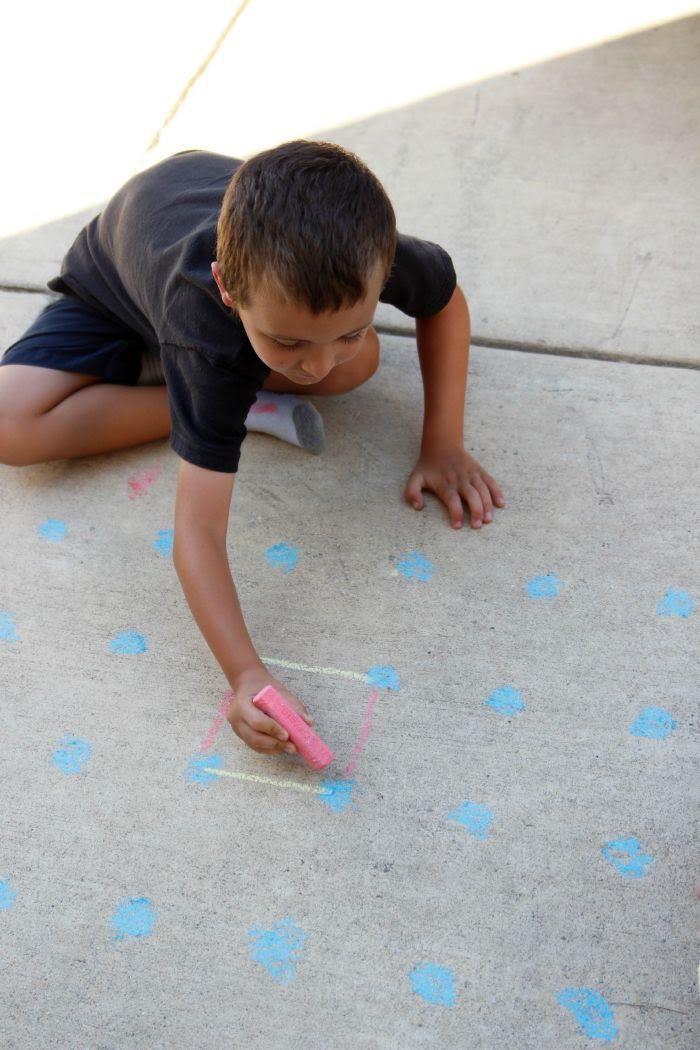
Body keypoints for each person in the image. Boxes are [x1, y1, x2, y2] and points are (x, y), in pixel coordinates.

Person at [0, 140, 505, 759]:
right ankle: (233, 403)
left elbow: (444, 301)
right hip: (116, 296)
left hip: (217, 283)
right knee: (9, 427)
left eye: (345, 328)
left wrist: (443, 443)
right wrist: (245, 674)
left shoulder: (366, 250)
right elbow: (199, 534)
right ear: (229, 290)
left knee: (360, 365)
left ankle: (231, 395)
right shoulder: (203, 323)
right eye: (289, 340)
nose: (315, 366)